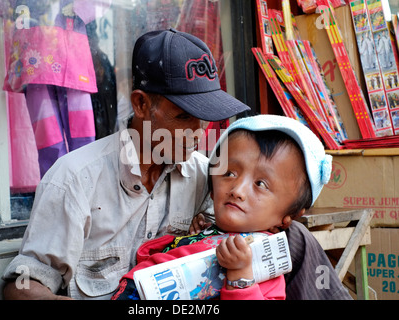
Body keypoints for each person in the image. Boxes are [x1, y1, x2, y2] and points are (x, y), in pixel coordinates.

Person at [2, 29, 352, 300]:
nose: (197, 132)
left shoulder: (206, 174)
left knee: (293, 236)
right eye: (183, 117)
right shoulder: (74, 180)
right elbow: (22, 288)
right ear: (141, 105)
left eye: (204, 119)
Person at [111, 114, 329, 300]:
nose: (237, 190)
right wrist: (191, 239)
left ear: (288, 217)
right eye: (229, 173)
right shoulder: (208, 229)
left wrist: (241, 276)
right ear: (212, 189)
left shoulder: (264, 264)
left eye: (260, 184)